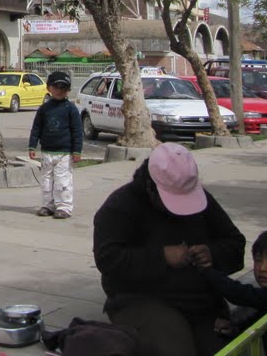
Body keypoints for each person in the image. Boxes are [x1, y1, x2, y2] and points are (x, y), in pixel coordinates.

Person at [93, 143, 246, 356]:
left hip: (202, 301)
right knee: (175, 349)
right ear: (151, 188)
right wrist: (162, 257)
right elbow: (108, 259)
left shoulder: (203, 201)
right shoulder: (120, 206)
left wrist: (213, 253)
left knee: (225, 349)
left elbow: (235, 243)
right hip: (142, 299)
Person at [203, 229, 267, 340]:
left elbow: (238, 293)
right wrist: (235, 329)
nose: (262, 268)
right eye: (258, 260)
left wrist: (207, 271)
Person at [27, 70, 83, 219]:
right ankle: (48, 205)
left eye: (63, 88)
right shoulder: (44, 109)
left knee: (62, 181)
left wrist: (77, 151)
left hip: (64, 153)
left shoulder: (70, 109)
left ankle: (64, 207)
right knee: (46, 180)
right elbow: (36, 128)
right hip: (47, 152)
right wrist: (32, 146)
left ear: (68, 90)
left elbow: (77, 131)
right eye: (56, 87)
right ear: (48, 88)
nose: (59, 90)